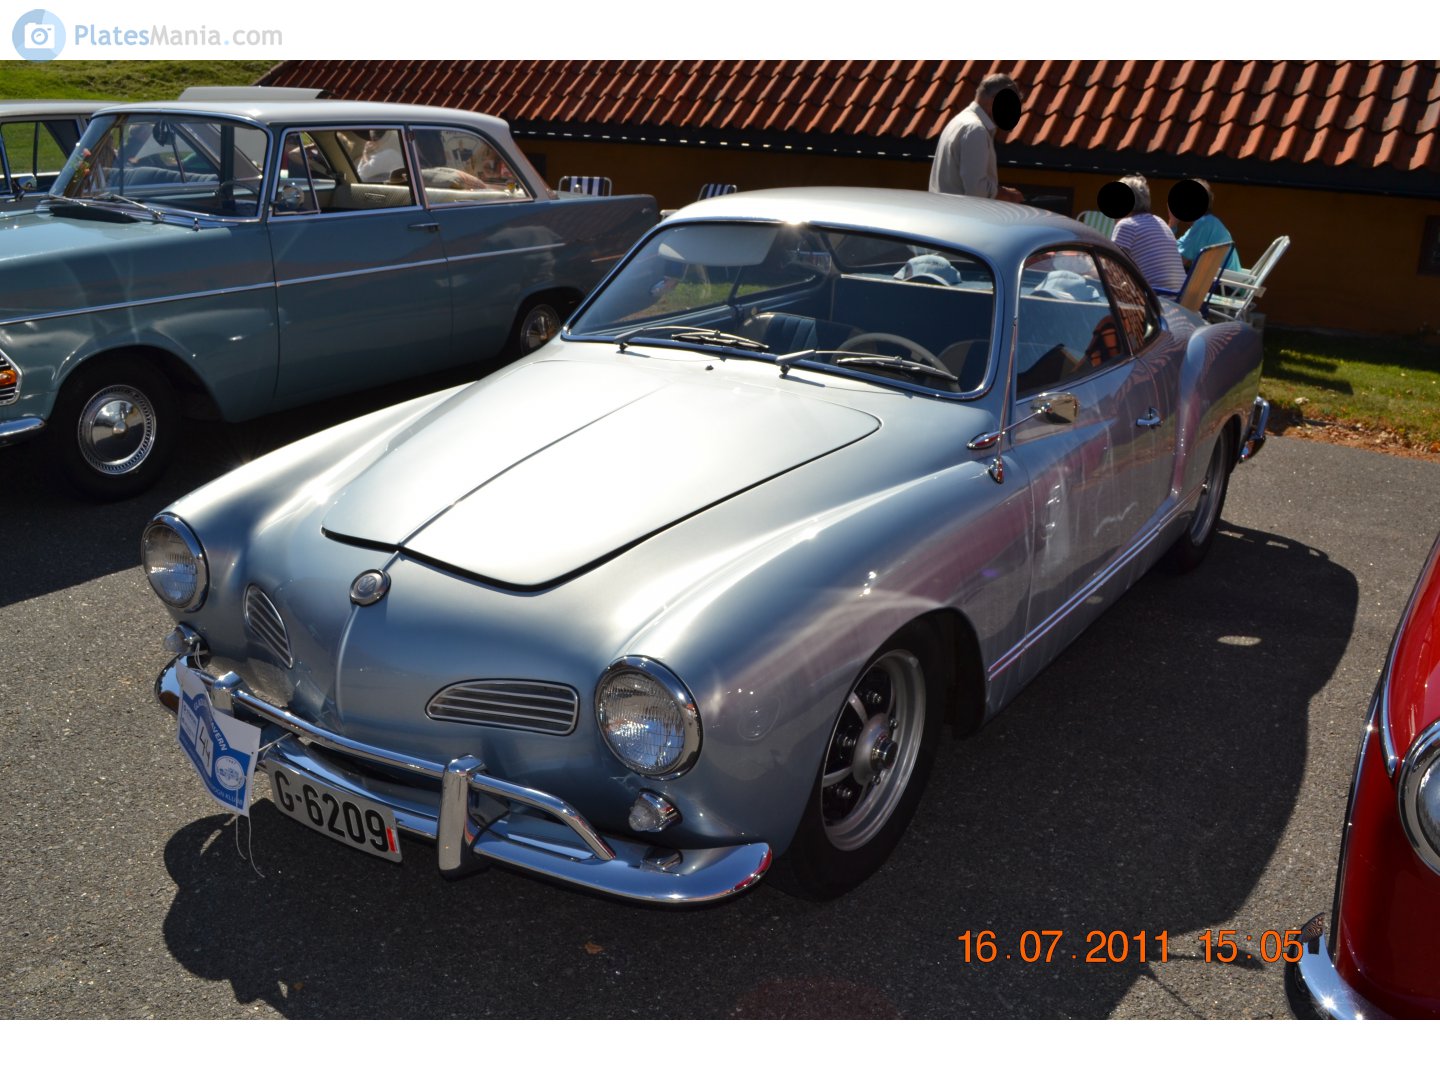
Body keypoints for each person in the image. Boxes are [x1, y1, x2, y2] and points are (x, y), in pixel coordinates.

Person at [928, 73, 1024, 202]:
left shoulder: (960, 121)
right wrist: (1009, 195)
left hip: (947, 214)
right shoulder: (976, 130)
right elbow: (977, 191)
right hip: (962, 218)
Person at [1109, 175, 1186, 295]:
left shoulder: (1127, 225)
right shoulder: (1159, 221)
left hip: (1156, 300)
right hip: (1178, 298)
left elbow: (1112, 269)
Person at [1170, 178, 1241, 271]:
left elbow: (1175, 262)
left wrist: (1173, 222)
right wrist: (1173, 223)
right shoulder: (1207, 223)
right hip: (1219, 282)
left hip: (1221, 284)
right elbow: (1173, 251)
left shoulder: (1204, 224)